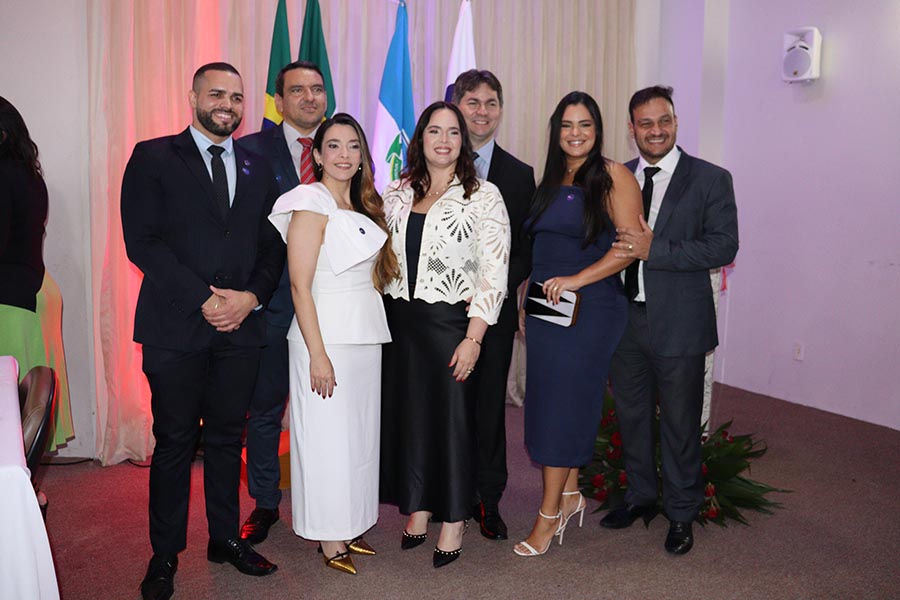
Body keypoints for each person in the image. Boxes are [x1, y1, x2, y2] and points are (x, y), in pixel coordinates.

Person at [121, 62, 284, 600]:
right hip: (175, 327)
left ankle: (224, 539)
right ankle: (164, 554)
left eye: (236, 97)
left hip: (240, 328)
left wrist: (251, 298)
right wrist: (204, 299)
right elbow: (142, 243)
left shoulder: (259, 165)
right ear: (192, 97)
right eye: (216, 94)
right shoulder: (152, 157)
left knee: (226, 439)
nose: (227, 105)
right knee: (174, 441)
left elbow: (272, 246)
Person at [602, 85, 739, 555]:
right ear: (632, 129)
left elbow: (724, 245)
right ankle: (640, 496)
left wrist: (654, 249)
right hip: (625, 323)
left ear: (676, 122)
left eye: (664, 121)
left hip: (681, 324)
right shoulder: (618, 178)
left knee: (680, 424)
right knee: (632, 417)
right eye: (646, 123)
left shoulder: (711, 178)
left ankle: (682, 513)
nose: (656, 130)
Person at [380, 101, 510, 568]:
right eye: (434, 131)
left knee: (453, 423)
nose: (443, 140)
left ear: (463, 141)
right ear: (420, 139)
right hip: (400, 325)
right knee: (411, 418)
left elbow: (494, 272)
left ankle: (454, 518)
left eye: (453, 132)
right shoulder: (395, 193)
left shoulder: (484, 195)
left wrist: (474, 338)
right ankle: (418, 508)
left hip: (450, 325)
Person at [267, 113, 397, 576]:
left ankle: (351, 524)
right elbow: (299, 286)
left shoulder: (364, 204)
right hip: (324, 337)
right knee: (325, 439)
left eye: (353, 146)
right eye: (334, 146)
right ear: (318, 155)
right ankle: (328, 536)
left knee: (358, 437)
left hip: (363, 335)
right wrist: (317, 354)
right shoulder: (309, 201)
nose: (345, 155)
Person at [513, 91, 642, 557]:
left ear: (598, 130)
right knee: (549, 401)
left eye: (584, 124)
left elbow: (631, 246)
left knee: (561, 408)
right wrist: (527, 291)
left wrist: (576, 280)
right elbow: (544, 246)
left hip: (591, 308)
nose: (575, 133)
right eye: (567, 125)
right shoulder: (550, 178)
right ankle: (569, 495)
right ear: (556, 131)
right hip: (548, 307)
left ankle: (547, 517)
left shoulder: (614, 175)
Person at [235, 60, 327, 545]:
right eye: (298, 90)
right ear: (279, 100)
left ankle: (327, 497)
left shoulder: (344, 145)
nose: (310, 98)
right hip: (270, 305)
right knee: (266, 409)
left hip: (329, 306)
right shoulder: (249, 150)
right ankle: (266, 503)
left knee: (326, 409)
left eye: (317, 89)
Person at [451, 69, 536, 540]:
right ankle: (448, 494)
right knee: (446, 405)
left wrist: (489, 287)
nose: (482, 112)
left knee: (487, 407)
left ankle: (488, 498)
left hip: (494, 313)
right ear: (456, 106)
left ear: (500, 109)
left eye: (491, 103)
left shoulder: (520, 175)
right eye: (473, 102)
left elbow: (525, 250)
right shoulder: (435, 161)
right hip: (441, 314)